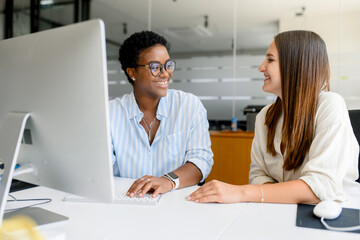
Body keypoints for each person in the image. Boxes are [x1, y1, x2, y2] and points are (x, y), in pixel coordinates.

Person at [187, 30, 359, 204]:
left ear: (295, 64)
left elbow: (320, 187)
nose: (261, 68)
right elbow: (258, 175)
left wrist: (241, 192)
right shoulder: (265, 116)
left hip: (336, 217)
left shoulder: (330, 105)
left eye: (270, 60)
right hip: (285, 212)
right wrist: (273, 194)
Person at [109, 31, 213, 198]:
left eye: (168, 65)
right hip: (128, 203)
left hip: (177, 204)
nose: (165, 73)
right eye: (155, 67)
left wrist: (167, 180)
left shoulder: (189, 106)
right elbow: (100, 169)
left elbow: (201, 161)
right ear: (132, 72)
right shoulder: (111, 113)